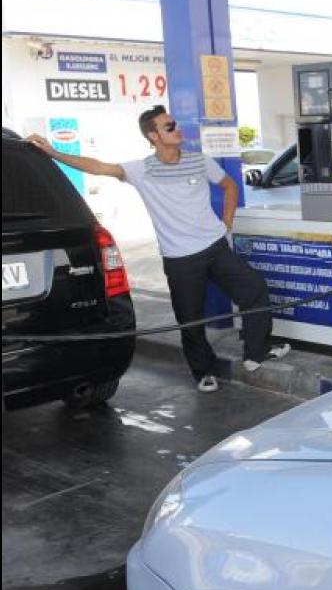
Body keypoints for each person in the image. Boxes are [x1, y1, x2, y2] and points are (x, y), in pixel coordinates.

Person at [28, 106, 289, 393]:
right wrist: (53, 153)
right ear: (153, 136)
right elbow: (98, 166)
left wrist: (226, 223)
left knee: (254, 290)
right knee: (191, 320)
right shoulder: (141, 170)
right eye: (169, 126)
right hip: (180, 259)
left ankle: (255, 352)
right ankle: (203, 371)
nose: (177, 129)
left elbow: (229, 186)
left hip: (215, 248)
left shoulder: (199, 161)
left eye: (174, 124)